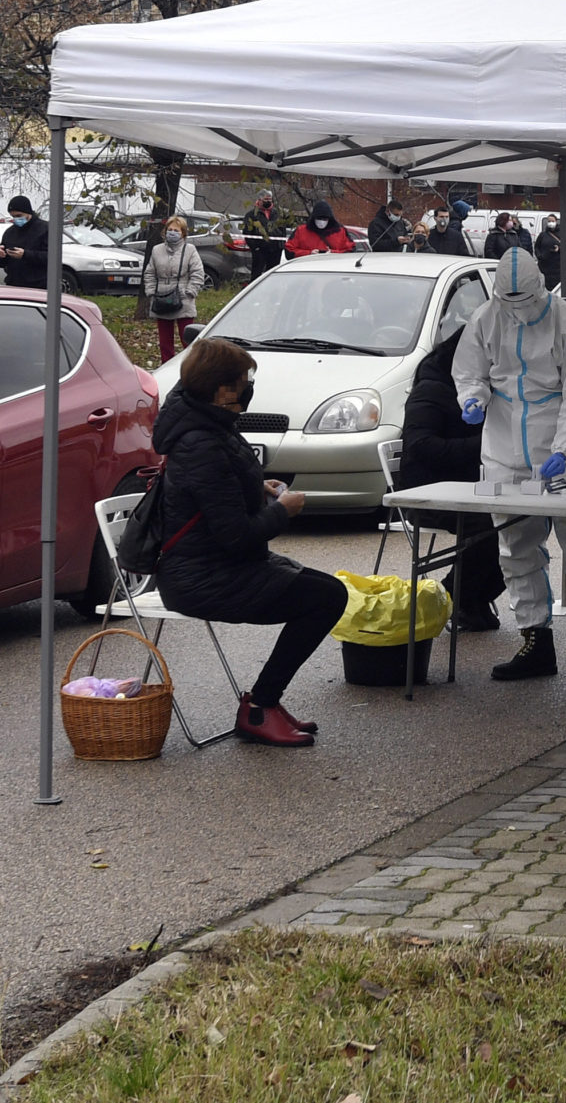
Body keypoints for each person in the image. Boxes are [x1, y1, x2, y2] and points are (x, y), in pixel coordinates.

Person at [150, 338, 348, 747]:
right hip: (204, 578)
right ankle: (260, 707)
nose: (247, 387)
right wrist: (283, 510)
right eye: (242, 380)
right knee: (326, 598)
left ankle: (264, 704)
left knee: (327, 591)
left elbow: (214, 495)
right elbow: (236, 536)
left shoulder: (205, 425)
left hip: (216, 566)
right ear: (221, 389)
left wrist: (257, 487)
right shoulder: (200, 442)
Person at [453, 246, 566, 685]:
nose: (517, 312)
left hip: (559, 444)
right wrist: (472, 398)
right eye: (508, 305)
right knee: (516, 549)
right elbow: (470, 371)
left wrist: (564, 450)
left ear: (539, 287)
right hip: (503, 447)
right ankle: (535, 641)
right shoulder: (486, 319)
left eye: (523, 303)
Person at [400, 324, 502, 630]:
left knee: (524, 524)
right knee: (493, 526)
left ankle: (472, 598)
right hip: (428, 493)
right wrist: (484, 446)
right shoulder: (432, 390)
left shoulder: (469, 390)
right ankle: (450, 596)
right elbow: (420, 446)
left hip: (466, 488)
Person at [144, 214, 207, 363]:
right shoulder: (156, 250)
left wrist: (190, 291)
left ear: (183, 233)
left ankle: (192, 367)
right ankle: (167, 367)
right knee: (165, 342)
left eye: (176, 230)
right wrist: (151, 291)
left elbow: (198, 273)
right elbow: (150, 273)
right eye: (170, 229)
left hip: (183, 297)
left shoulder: (189, 250)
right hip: (162, 298)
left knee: (188, 339)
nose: (172, 233)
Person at [0, 195, 52, 288]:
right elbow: (2, 263)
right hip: (13, 284)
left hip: (38, 285)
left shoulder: (45, 229)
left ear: (28, 213)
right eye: (13, 216)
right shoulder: (10, 232)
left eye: (19, 216)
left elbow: (51, 258)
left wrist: (25, 255)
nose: (16, 219)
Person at [286, 200, 357, 258]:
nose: (321, 221)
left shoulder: (340, 232)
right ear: (314, 218)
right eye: (319, 218)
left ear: (330, 219)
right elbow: (289, 251)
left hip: (333, 270)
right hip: (307, 269)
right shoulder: (301, 231)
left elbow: (351, 251)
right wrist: (308, 253)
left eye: (324, 218)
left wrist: (333, 253)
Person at [242, 190, 284, 279]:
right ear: (259, 200)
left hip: (275, 249)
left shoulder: (278, 213)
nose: (268, 202)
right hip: (260, 250)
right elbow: (247, 233)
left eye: (270, 199)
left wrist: (281, 245)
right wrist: (255, 248)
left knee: (272, 275)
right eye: (266, 199)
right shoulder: (251, 215)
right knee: (256, 274)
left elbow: (282, 230)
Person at [535, 215, 566, 291]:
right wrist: (539, 256)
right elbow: (537, 247)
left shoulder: (562, 234)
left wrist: (559, 248)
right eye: (549, 221)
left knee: (556, 288)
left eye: (552, 221)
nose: (550, 223)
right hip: (544, 266)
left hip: (557, 267)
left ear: (556, 222)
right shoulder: (543, 235)